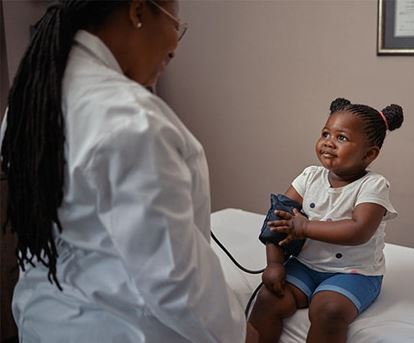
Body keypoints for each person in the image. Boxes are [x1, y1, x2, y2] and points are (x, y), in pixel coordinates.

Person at [0, 1, 257, 342]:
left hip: (42, 322)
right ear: (138, 12)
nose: (175, 46)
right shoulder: (132, 120)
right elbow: (175, 281)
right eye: (174, 24)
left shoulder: (28, 104)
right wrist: (239, 334)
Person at [249, 97, 404, 342]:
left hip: (353, 273)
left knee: (328, 310)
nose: (328, 143)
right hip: (305, 267)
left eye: (341, 138)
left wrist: (305, 226)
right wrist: (274, 264)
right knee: (268, 298)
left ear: (369, 154)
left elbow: (359, 230)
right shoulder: (309, 176)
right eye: (325, 134)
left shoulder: (373, 185)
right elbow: (278, 219)